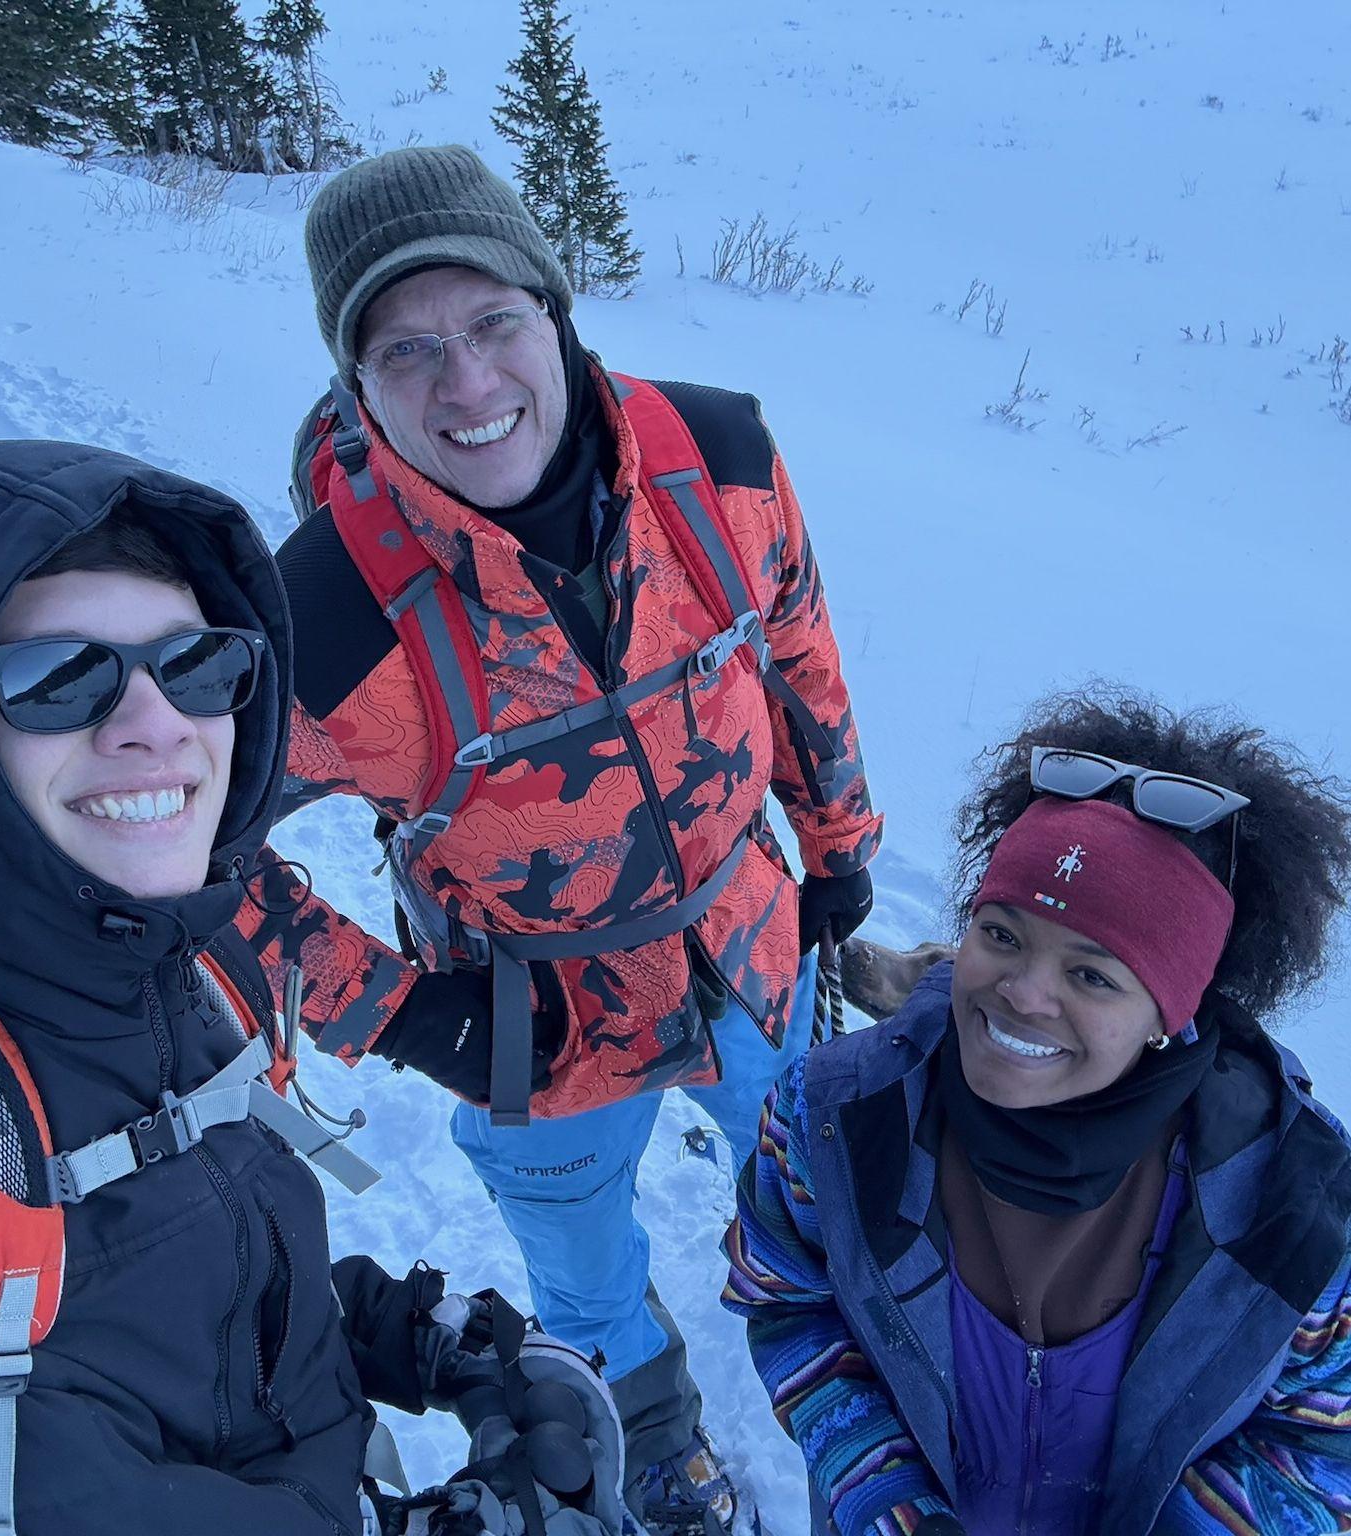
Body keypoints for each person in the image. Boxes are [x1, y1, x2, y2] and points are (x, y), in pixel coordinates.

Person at [241, 143, 883, 1533]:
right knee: (583, 1263)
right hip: (537, 1024)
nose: (467, 386)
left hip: (754, 939)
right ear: (357, 386)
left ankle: (843, 1374)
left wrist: (837, 850)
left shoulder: (716, 460)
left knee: (809, 1174)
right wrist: (409, 1018)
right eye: (405, 352)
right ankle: (648, 1425)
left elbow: (797, 653)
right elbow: (189, 864)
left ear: (557, 311)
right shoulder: (332, 620)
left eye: (491, 324)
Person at [0, 442, 623, 1536]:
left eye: (198, 667)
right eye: (57, 678)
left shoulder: (186, 963)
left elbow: (150, 1279)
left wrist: (391, 1329)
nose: (158, 724)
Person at [725, 688, 1351, 1536]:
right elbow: (790, 1306)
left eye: (1091, 975)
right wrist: (887, 1502)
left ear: (1173, 1010)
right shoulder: (830, 1118)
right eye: (1001, 935)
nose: (1018, 996)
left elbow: (1326, 1436)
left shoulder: (1297, 1198)